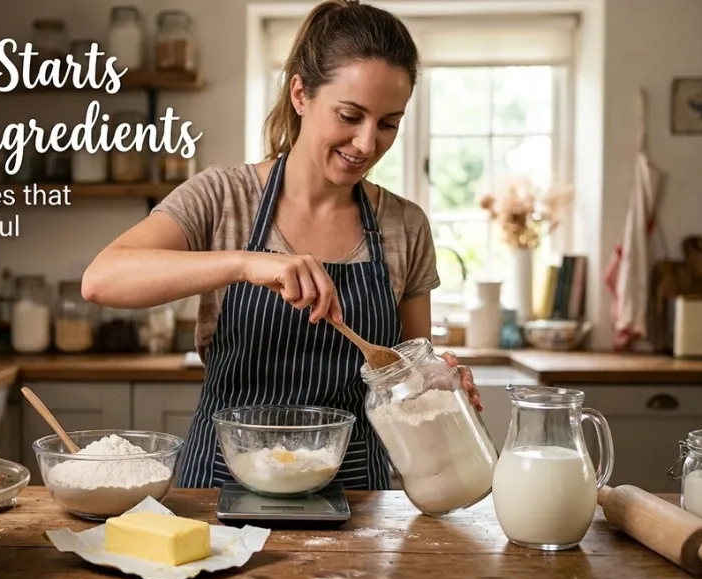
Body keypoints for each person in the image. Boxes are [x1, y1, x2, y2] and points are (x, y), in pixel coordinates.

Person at [80, 0, 483, 490]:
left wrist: (439, 389)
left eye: (387, 123)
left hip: (356, 501)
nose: (365, 143)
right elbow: (102, 280)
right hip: (222, 492)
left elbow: (407, 382)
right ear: (300, 93)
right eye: (350, 115)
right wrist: (246, 264)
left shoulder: (404, 225)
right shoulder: (224, 197)